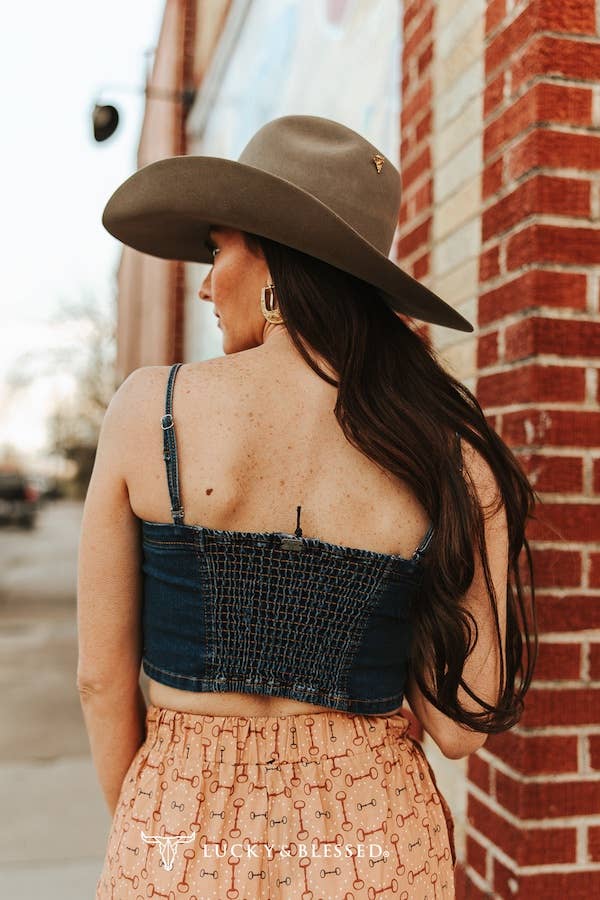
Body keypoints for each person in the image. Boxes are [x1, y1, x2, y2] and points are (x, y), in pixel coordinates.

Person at [78, 115, 538, 899]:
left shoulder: (149, 408)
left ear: (273, 264)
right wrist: (479, 498)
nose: (202, 280)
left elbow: (100, 680)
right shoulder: (439, 448)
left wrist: (154, 829)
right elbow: (462, 725)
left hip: (180, 832)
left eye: (216, 247)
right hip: (379, 842)